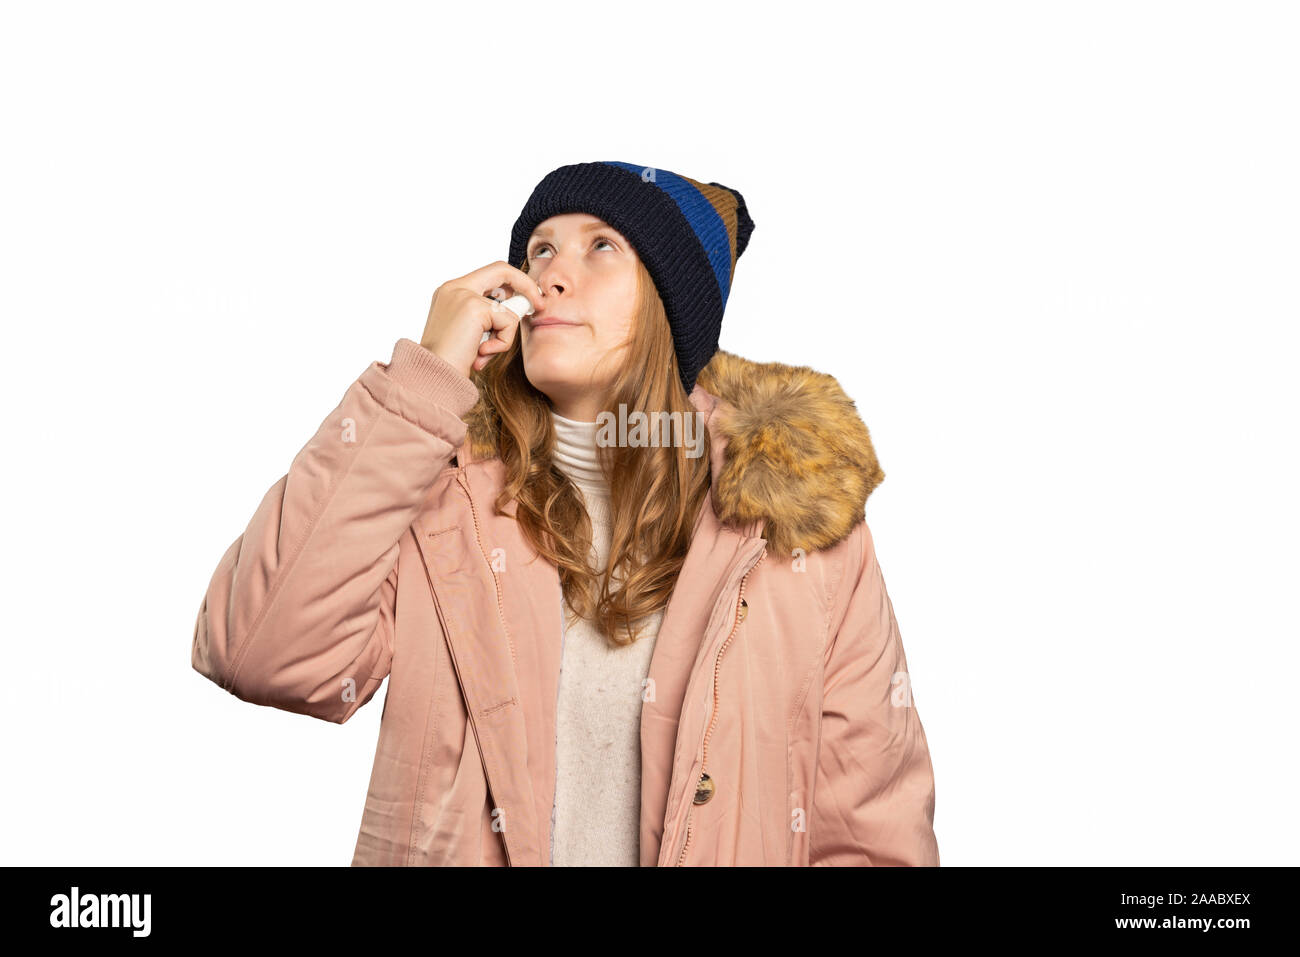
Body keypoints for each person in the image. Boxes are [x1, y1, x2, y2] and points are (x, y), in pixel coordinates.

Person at [191, 160, 940, 866]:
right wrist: (424, 383)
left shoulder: (798, 532)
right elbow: (259, 651)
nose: (548, 273)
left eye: (600, 246)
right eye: (539, 249)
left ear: (670, 307)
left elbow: (871, 831)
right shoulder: (438, 495)